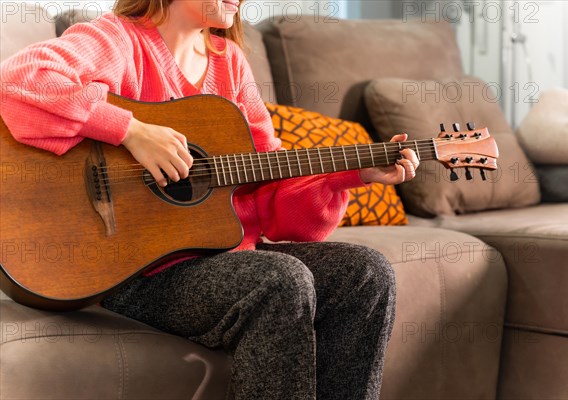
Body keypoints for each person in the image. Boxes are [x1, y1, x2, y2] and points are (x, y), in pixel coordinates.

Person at [0, 1, 420, 399]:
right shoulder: (119, 40)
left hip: (226, 258)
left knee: (367, 273)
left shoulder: (230, 62)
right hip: (135, 272)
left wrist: (354, 175)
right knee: (280, 278)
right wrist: (132, 131)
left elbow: (272, 197)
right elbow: (20, 79)